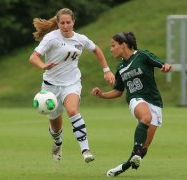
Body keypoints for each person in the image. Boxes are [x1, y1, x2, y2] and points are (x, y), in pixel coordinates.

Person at [29, 8, 115, 163]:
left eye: (68, 22)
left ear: (73, 22)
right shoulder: (51, 38)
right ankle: (57, 143)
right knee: (55, 128)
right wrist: (43, 66)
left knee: (73, 110)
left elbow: (96, 50)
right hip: (50, 87)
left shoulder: (80, 39)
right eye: (62, 23)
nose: (65, 25)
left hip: (72, 83)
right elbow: (33, 57)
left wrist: (107, 70)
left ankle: (85, 149)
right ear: (58, 23)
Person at [91, 32, 171, 176]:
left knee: (144, 148)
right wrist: (102, 95)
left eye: (113, 45)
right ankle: (136, 150)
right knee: (145, 118)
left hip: (154, 102)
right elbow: (118, 91)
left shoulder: (142, 56)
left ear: (123, 45)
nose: (111, 49)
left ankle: (124, 166)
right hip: (136, 99)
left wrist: (165, 66)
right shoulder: (120, 67)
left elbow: (161, 64)